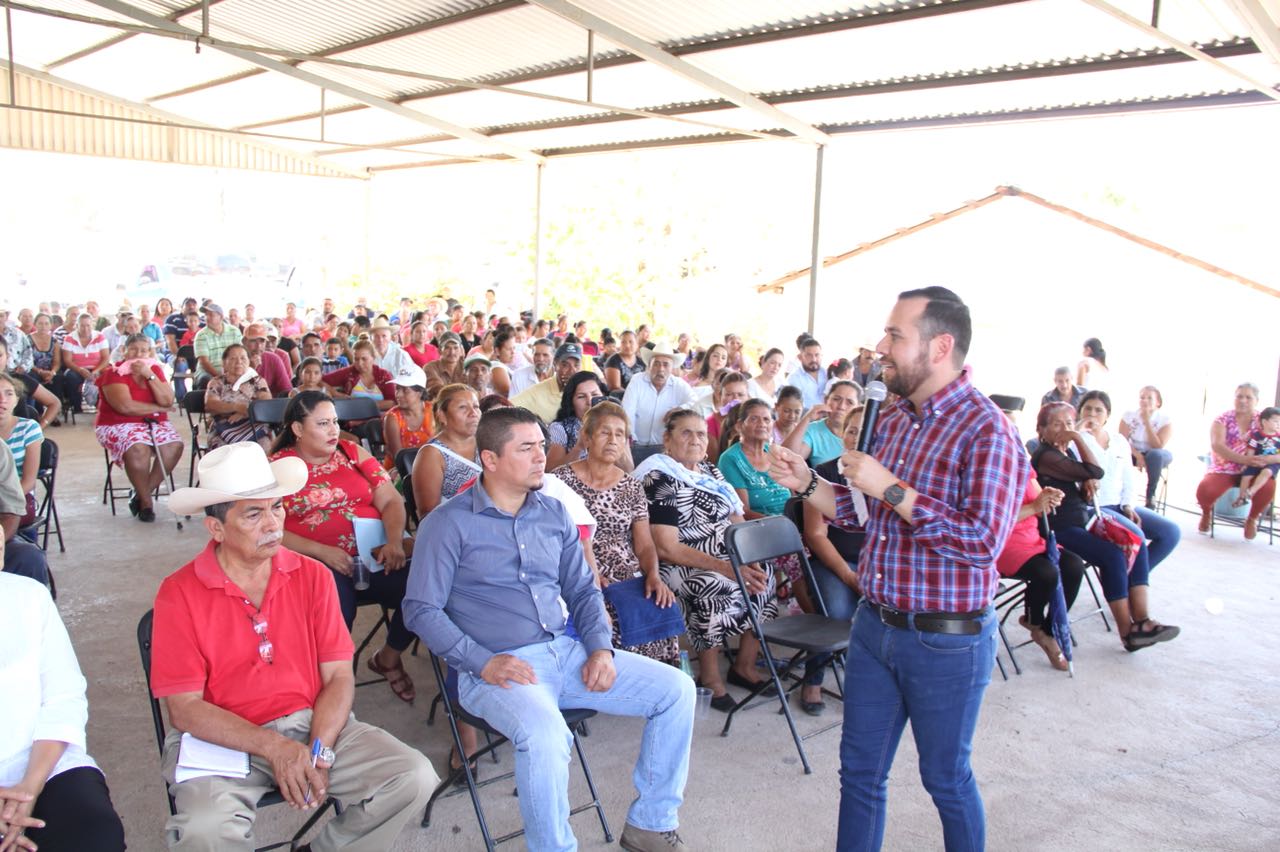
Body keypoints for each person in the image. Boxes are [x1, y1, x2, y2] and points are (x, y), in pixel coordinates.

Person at [768, 286, 1027, 851]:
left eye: (895, 335)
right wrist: (808, 484)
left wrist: (894, 488)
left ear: (939, 346)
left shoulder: (990, 431)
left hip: (945, 642)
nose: (881, 346)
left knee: (946, 779)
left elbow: (983, 543)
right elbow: (865, 514)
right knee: (859, 776)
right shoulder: (893, 420)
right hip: (874, 628)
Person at [404, 406, 696, 852]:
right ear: (490, 459)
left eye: (541, 446)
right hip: (496, 667)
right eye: (526, 449)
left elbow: (581, 591)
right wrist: (483, 662)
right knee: (547, 735)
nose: (542, 457)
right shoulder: (447, 524)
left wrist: (599, 647)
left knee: (677, 690)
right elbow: (421, 610)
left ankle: (650, 824)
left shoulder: (553, 513)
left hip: (565, 650)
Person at [152, 444, 437, 850]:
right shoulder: (179, 593)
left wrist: (318, 751)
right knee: (204, 831)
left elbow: (338, 675)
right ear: (216, 528)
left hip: (309, 724)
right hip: (223, 739)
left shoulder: (312, 576)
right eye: (254, 513)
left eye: (277, 508)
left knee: (412, 775)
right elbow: (184, 708)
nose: (273, 524)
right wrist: (274, 747)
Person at [269, 393, 419, 704]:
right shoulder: (277, 468)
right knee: (335, 605)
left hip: (373, 555)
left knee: (425, 588)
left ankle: (388, 657)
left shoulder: (351, 452)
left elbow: (390, 499)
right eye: (323, 424)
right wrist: (321, 552)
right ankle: (333, 691)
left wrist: (393, 541)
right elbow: (270, 529)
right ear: (297, 429)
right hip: (315, 562)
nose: (333, 430)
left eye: (335, 422)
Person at [638, 408, 777, 711]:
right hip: (682, 561)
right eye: (686, 433)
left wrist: (748, 557)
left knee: (765, 573)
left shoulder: (710, 472)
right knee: (711, 585)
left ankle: (744, 665)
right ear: (667, 439)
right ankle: (711, 677)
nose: (695, 440)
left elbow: (737, 518)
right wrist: (727, 568)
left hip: (727, 555)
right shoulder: (659, 477)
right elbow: (666, 546)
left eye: (701, 433)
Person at [1033, 401, 1179, 652]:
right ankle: (1127, 632)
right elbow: (1094, 469)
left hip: (1081, 519)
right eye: (1057, 424)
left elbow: (1088, 475)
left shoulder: (1065, 452)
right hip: (1059, 528)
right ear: (1042, 430)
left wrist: (1086, 481)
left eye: (1069, 423)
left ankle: (1143, 620)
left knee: (1134, 540)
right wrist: (1078, 438)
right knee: (1112, 556)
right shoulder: (1047, 455)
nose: (1064, 429)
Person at [0, 568, 126, 852]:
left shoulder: (29, 597)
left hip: (40, 763)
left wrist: (28, 788)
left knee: (95, 834)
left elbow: (64, 697)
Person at [553, 402, 680, 665]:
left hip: (624, 571)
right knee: (603, 611)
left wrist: (654, 576)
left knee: (658, 601)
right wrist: (589, 574)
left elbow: (644, 545)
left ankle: (650, 685)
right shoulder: (560, 482)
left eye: (620, 434)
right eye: (604, 433)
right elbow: (551, 539)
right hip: (575, 567)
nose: (613, 440)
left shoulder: (632, 487)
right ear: (587, 438)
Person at [798, 406, 866, 714]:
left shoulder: (889, 479)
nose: (857, 437)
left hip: (874, 566)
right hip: (833, 563)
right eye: (851, 430)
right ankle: (813, 678)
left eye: (865, 431)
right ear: (842, 435)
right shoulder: (824, 473)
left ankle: (868, 681)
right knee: (836, 611)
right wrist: (850, 577)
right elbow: (816, 535)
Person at [1078, 390, 1182, 573]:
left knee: (1171, 532)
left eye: (1098, 410)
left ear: (1107, 415)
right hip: (1093, 508)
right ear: (1079, 412)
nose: (1092, 414)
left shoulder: (1118, 441)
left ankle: (1133, 578)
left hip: (1119, 505)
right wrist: (1076, 431)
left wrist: (1128, 505)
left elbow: (1128, 478)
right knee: (1136, 536)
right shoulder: (1074, 439)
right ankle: (1131, 584)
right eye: (1087, 409)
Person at [994, 472, 1082, 671]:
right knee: (1047, 573)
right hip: (1003, 544)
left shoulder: (1023, 464)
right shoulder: (991, 467)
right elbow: (993, 520)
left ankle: (1047, 631)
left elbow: (1041, 508)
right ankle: (1034, 621)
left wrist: (1049, 499)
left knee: (1073, 567)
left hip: (1031, 539)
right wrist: (1034, 507)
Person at [93, 334, 184, 522]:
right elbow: (126, 407)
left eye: (144, 350)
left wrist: (148, 374)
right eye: (134, 349)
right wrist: (159, 409)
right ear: (125, 351)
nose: (139, 354)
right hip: (117, 423)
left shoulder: (155, 371)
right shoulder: (113, 372)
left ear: (150, 352)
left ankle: (142, 493)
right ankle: (146, 503)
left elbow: (168, 399)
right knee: (137, 447)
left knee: (174, 445)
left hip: (154, 422)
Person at [1196, 382, 1276, 539]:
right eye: (1239, 396)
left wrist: (1265, 459)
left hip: (1255, 467)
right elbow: (1217, 445)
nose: (1243, 400)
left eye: (1248, 397)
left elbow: (1274, 443)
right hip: (1226, 466)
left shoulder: (1264, 421)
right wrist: (1244, 459)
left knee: (1268, 486)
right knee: (1205, 490)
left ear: (1256, 401)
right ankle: (1206, 512)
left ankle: (1251, 519)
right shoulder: (1222, 419)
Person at [411, 384, 481, 519]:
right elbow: (429, 515)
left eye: (476, 406)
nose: (473, 413)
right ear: (442, 416)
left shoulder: (487, 442)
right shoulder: (432, 455)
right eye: (463, 407)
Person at [622, 343, 696, 465]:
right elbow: (626, 413)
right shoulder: (637, 381)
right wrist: (631, 441)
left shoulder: (678, 385)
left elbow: (695, 403)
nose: (661, 369)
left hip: (665, 450)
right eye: (656, 363)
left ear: (672, 368)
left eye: (666, 364)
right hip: (635, 446)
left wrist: (681, 409)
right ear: (649, 365)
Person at [204, 344, 273, 449]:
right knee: (224, 452)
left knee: (265, 445)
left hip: (253, 425)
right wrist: (236, 407)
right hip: (222, 429)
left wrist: (245, 412)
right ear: (224, 363)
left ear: (249, 361)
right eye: (233, 358)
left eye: (243, 358)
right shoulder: (217, 382)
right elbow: (210, 405)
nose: (239, 362)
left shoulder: (257, 381)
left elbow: (266, 403)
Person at [781, 380, 860, 467]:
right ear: (826, 400)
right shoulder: (813, 431)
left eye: (850, 402)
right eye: (836, 399)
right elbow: (787, 458)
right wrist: (807, 418)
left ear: (858, 407)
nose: (841, 406)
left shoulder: (864, 435)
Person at [1118, 386, 1173, 508]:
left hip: (1155, 454)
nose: (1145, 401)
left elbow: (1157, 445)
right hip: (1132, 451)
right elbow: (1122, 441)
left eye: (1149, 398)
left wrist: (1147, 421)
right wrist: (1138, 455)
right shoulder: (1129, 415)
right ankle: (1119, 493)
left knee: (1155, 455)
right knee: (1118, 452)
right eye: (1142, 397)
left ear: (1158, 402)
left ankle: (1150, 496)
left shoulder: (1165, 420)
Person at [546, 371, 607, 471]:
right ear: (571, 402)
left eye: (595, 394)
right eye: (581, 396)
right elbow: (551, 470)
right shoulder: (560, 428)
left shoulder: (615, 425)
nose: (589, 401)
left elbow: (628, 468)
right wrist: (579, 448)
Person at [511, 341, 583, 423]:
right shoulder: (538, 392)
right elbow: (508, 406)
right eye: (565, 365)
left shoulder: (587, 387)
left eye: (576, 365)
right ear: (555, 364)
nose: (572, 371)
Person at [0, 337, 60, 430]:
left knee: (49, 445)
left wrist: (38, 430)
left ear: (7, 356)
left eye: (0, 355)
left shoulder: (19, 379)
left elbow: (54, 403)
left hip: (21, 440)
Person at [381, 363, 433, 470]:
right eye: (397, 389)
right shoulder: (392, 418)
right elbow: (399, 458)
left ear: (419, 392)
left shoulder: (434, 411)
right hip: (401, 471)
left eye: (405, 390)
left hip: (431, 466)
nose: (398, 394)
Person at [55, 312, 109, 413]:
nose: (85, 329)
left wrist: (96, 371)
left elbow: (106, 358)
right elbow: (67, 360)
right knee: (71, 377)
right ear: (77, 326)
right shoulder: (69, 338)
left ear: (92, 325)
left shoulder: (100, 336)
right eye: (82, 326)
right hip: (77, 368)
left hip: (97, 367)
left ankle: (102, 408)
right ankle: (77, 408)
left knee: (107, 375)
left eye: (88, 325)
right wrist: (80, 370)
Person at [322, 340, 395, 412]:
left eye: (364, 359)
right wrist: (335, 393)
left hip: (381, 420)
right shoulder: (349, 372)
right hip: (354, 421)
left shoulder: (384, 375)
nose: (360, 363)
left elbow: (392, 402)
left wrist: (362, 405)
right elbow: (320, 380)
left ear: (373, 358)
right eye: (356, 359)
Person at [1234, 405, 1280, 507]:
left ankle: (1250, 492)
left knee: (1266, 472)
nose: (1278, 424)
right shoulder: (1256, 435)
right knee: (1246, 477)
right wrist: (1248, 461)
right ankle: (1241, 498)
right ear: (1264, 422)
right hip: (1256, 461)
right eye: (1276, 421)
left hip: (1272, 464)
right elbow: (1251, 449)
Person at [704, 371, 750, 464]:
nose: (735, 399)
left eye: (740, 395)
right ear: (719, 396)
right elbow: (713, 462)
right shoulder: (710, 423)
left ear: (748, 397)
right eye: (729, 394)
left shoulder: (754, 421)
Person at [192, 304, 242, 388]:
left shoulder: (234, 331)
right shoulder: (201, 335)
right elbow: (204, 362)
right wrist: (221, 377)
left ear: (221, 317)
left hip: (232, 369)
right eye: (206, 315)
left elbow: (241, 354)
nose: (207, 318)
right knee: (205, 380)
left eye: (211, 315)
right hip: (208, 371)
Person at [240, 323, 292, 397]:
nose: (258, 346)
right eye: (253, 341)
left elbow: (287, 390)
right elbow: (233, 392)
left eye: (262, 341)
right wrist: (251, 369)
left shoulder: (274, 359)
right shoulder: (236, 359)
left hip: (271, 405)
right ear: (244, 342)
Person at [685, 343, 727, 417]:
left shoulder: (728, 387)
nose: (719, 359)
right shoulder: (697, 387)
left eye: (723, 358)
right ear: (708, 358)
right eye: (715, 356)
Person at [784, 337, 827, 408]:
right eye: (809, 355)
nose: (814, 359)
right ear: (800, 357)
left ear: (821, 355)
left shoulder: (827, 373)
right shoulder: (794, 379)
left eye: (817, 355)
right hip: (807, 418)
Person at [423, 333, 466, 399]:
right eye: (447, 348)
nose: (452, 352)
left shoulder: (467, 366)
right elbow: (438, 390)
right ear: (440, 350)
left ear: (461, 350)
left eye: (455, 348)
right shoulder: (430, 368)